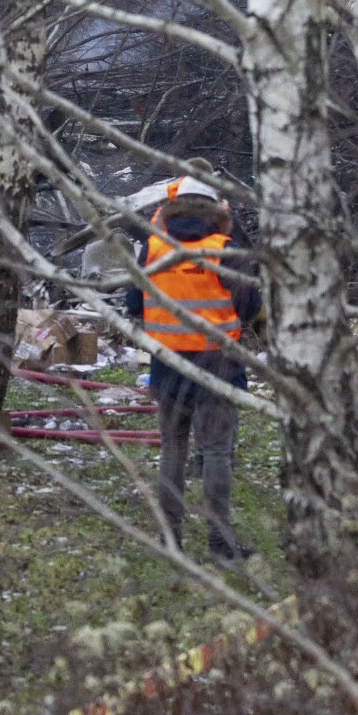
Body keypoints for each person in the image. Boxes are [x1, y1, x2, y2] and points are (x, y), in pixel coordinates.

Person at [125, 178, 261, 560]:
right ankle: (220, 544)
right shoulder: (226, 251)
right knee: (216, 452)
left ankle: (171, 541)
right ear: (218, 209)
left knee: (173, 448)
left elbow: (134, 302)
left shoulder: (153, 248)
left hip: (167, 366)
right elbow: (250, 307)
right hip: (218, 365)